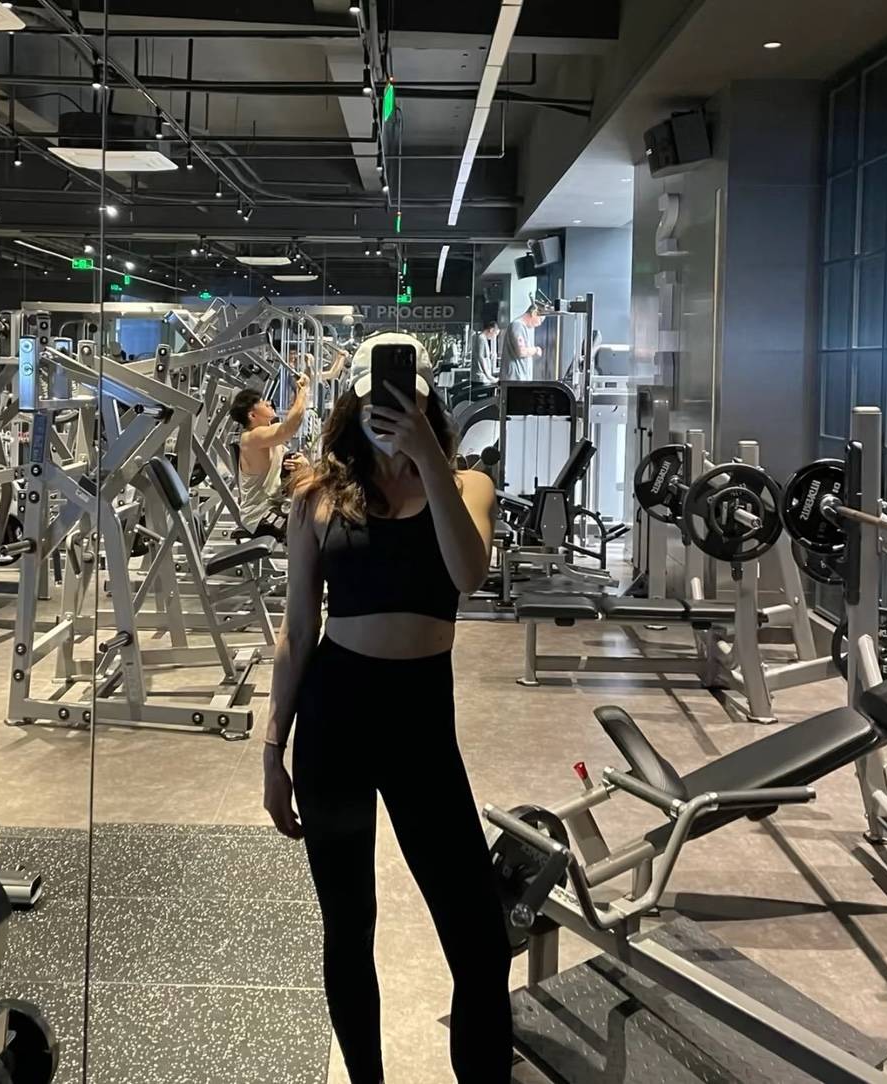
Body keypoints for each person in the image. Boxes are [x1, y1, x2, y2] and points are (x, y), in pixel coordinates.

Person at [261, 333, 513, 1084]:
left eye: (403, 401)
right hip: (335, 718)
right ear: (354, 408)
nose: (388, 414)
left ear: (428, 406)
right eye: (375, 402)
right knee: (349, 928)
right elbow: (297, 629)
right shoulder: (318, 495)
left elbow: (468, 575)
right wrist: (272, 750)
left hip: (421, 723)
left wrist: (427, 459)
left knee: (480, 940)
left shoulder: (467, 485)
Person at [229, 374, 311, 542]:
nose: (268, 403)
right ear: (252, 415)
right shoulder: (251, 437)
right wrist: (303, 392)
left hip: (275, 506)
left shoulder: (270, 439)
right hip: (260, 516)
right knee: (313, 529)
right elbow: (288, 428)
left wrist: (302, 463)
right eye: (262, 403)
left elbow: (290, 460)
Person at [500, 305, 545, 382]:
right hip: (515, 380)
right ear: (534, 313)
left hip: (520, 380)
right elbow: (521, 351)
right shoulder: (518, 325)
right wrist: (536, 350)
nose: (539, 324)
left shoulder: (523, 328)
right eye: (540, 320)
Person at [471, 320, 500, 387]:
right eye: (495, 334)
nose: (494, 337)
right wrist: (489, 376)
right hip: (480, 378)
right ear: (491, 330)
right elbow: (481, 358)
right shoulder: (481, 338)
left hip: (482, 377)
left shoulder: (482, 338)